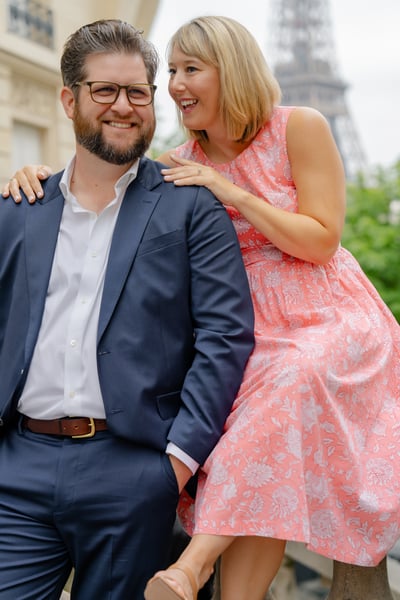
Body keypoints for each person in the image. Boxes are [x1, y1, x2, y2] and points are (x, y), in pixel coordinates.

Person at [4, 14, 400, 600]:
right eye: (171, 72)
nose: (174, 86)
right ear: (72, 99)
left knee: (279, 390)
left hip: (322, 314)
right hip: (257, 326)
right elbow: (104, 178)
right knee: (259, 432)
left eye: (190, 70)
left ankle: (194, 566)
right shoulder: (174, 164)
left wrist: (233, 191)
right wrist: (33, 176)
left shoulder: (298, 127)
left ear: (231, 72)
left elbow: (321, 240)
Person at [0, 18, 255, 600]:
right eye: (105, 91)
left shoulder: (194, 204)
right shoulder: (18, 206)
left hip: (134, 470)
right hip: (17, 468)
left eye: (138, 91)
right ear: (70, 100)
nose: (124, 106)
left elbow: (225, 335)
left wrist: (177, 463)